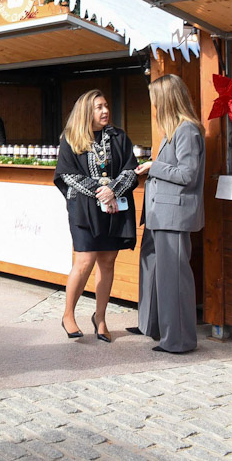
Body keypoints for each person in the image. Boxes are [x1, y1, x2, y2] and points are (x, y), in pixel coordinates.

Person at [53, 89, 138, 343]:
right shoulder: (71, 138)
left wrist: (113, 190)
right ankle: (68, 314)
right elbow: (66, 174)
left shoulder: (118, 137)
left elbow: (131, 170)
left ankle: (100, 318)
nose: (105, 111)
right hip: (84, 209)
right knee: (85, 260)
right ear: (86, 112)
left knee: (108, 261)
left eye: (106, 106)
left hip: (114, 207)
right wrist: (100, 192)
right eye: (98, 107)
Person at [133, 74, 205, 354]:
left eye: (154, 99)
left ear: (166, 100)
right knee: (155, 273)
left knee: (173, 279)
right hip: (159, 214)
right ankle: (155, 328)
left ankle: (179, 341)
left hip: (173, 215)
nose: (153, 105)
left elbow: (188, 174)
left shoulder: (187, 130)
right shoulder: (173, 130)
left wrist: (154, 166)